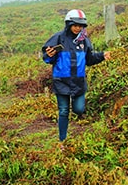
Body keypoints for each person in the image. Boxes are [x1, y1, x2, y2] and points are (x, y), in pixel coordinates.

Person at [42, 9, 111, 145]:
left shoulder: (84, 41)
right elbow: (47, 57)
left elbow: (89, 59)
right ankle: (62, 140)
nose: (77, 28)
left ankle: (74, 116)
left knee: (79, 109)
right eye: (75, 25)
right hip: (61, 81)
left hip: (79, 82)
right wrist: (49, 55)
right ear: (68, 24)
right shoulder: (58, 38)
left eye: (80, 26)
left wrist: (102, 56)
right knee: (63, 111)